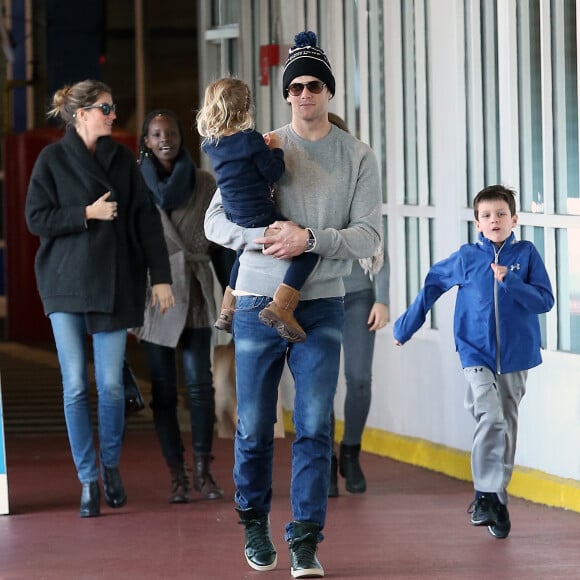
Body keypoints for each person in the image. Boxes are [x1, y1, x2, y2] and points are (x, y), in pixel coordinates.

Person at [204, 31, 382, 578]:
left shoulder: (357, 155)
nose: (304, 94)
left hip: (323, 301)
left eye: (313, 85)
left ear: (327, 91)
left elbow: (369, 235)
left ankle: (305, 539)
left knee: (312, 424)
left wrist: (310, 240)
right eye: (295, 86)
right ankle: (254, 522)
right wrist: (267, 238)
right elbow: (215, 222)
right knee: (255, 423)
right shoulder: (263, 143)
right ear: (286, 95)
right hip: (258, 296)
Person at [25, 79, 175, 518]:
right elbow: (36, 218)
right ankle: (87, 479)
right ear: (81, 114)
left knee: (109, 386)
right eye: (105, 109)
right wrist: (84, 214)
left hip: (114, 282)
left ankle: (110, 466)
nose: (113, 115)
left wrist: (160, 278)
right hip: (64, 282)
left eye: (112, 108)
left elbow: (146, 219)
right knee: (74, 385)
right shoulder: (52, 159)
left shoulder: (123, 160)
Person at [393, 184, 554, 539]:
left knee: (506, 426)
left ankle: (497, 497)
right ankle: (483, 494)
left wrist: (510, 281)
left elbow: (545, 301)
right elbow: (432, 284)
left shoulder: (526, 255)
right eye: (486, 215)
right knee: (491, 416)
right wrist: (407, 325)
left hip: (517, 357)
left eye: (500, 214)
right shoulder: (467, 258)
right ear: (477, 223)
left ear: (514, 219)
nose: (493, 220)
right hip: (474, 353)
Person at [130, 108, 223, 503]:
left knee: (200, 386)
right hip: (157, 296)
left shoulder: (204, 183)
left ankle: (203, 471)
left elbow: (219, 242)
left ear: (181, 138)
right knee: (164, 392)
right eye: (155, 133)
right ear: (146, 142)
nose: (164, 138)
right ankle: (177, 475)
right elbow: (129, 245)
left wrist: (234, 288)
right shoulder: (134, 185)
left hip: (198, 294)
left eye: (170, 132)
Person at [197, 77, 318, 343]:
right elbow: (272, 173)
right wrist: (274, 149)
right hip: (260, 214)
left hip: (235, 215)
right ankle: (283, 307)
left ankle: (227, 309)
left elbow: (240, 168)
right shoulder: (250, 140)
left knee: (244, 250)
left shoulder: (210, 145)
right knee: (309, 249)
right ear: (245, 108)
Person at [326, 113, 390, 497]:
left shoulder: (360, 183)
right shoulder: (304, 186)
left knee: (359, 379)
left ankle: (350, 451)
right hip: (318, 296)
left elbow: (379, 243)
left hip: (359, 296)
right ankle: (324, 460)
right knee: (319, 386)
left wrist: (382, 299)